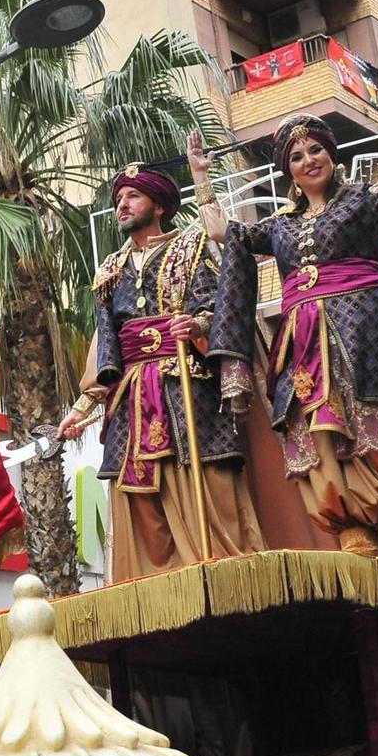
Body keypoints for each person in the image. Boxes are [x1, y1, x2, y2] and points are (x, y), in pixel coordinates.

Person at [204, 98, 378, 560]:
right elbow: (227, 235)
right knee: (313, 422)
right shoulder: (280, 225)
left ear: (332, 155)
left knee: (371, 414)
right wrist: (202, 179)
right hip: (300, 340)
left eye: (316, 150)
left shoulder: (365, 200)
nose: (308, 161)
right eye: (297, 157)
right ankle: (348, 527)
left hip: (366, 329)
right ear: (289, 172)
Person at [59, 135, 263, 577]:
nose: (122, 205)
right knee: (139, 502)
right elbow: (107, 346)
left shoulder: (191, 248)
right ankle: (157, 585)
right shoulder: (108, 271)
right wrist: (82, 409)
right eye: (119, 199)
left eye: (133, 196)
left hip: (186, 383)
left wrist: (199, 325)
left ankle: (227, 577)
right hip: (130, 397)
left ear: (159, 205)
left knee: (203, 484)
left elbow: (219, 303)